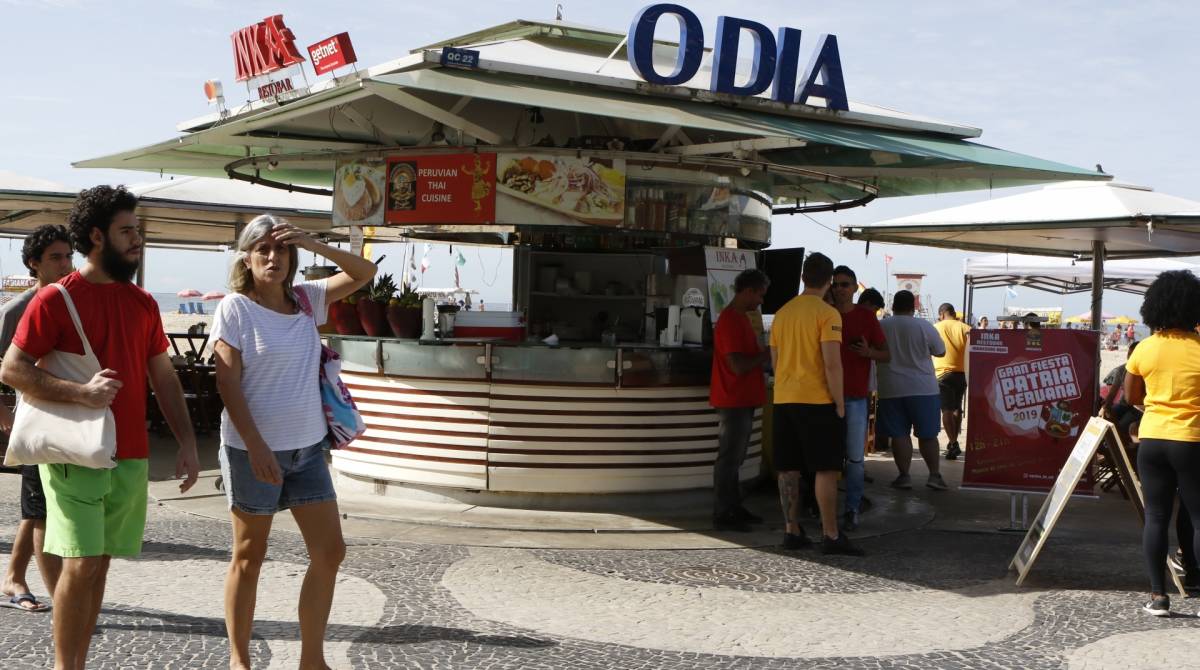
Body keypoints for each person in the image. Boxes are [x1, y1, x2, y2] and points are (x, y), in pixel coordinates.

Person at [0, 186, 200, 670]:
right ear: (96, 236)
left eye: (138, 230)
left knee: (102, 562)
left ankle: (80, 662)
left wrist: (189, 443)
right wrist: (81, 393)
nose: (137, 241)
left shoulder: (144, 303)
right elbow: (12, 369)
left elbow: (164, 377)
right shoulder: (54, 300)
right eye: (126, 231)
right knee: (83, 561)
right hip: (73, 452)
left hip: (128, 454)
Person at [211, 214, 376, 670]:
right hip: (252, 451)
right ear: (247, 257)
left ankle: (312, 660)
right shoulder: (235, 308)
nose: (273, 257)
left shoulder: (307, 300)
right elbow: (228, 385)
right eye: (262, 249)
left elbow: (365, 274)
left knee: (330, 551)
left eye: (281, 249)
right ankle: (239, 660)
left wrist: (311, 241)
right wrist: (257, 446)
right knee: (249, 555)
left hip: (308, 451)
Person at [0, 225, 73, 613]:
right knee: (40, 506)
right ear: (34, 264)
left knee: (40, 505)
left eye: (68, 256)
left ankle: (13, 577)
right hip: (33, 420)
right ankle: (66, 604)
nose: (65, 264)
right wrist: (3, 413)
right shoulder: (18, 309)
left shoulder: (73, 300)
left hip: (67, 421)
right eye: (55, 258)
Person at [770, 252, 862, 556]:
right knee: (825, 468)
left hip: (784, 399)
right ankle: (831, 535)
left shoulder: (783, 313)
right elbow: (832, 364)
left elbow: (775, 361)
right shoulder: (827, 314)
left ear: (802, 277)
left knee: (789, 469)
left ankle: (791, 530)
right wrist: (839, 404)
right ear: (829, 281)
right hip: (817, 400)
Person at [1122, 270, 1200, 616]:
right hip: (1193, 439)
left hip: (1153, 438)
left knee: (1156, 516)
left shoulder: (1144, 349)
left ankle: (1158, 596)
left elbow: (1131, 395)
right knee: (1198, 518)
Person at [709, 269, 771, 532]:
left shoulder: (740, 318)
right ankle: (724, 511)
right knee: (730, 458)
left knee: (735, 457)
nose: (761, 301)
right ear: (748, 291)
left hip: (741, 398)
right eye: (760, 294)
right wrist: (766, 355)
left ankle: (733, 506)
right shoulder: (731, 321)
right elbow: (736, 365)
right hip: (733, 398)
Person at [831, 267, 889, 531]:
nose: (840, 288)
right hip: (825, 396)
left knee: (855, 459)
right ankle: (825, 508)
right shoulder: (824, 314)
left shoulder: (866, 317)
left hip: (854, 397)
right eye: (836, 284)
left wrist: (867, 352)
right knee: (827, 459)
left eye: (845, 284)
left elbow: (886, 354)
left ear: (855, 288)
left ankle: (851, 508)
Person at [877, 290, 949, 491]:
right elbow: (940, 351)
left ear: (893, 306)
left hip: (891, 388)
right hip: (923, 389)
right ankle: (934, 475)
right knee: (927, 435)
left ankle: (904, 476)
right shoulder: (924, 325)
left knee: (899, 434)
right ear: (913, 307)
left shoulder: (882, 325)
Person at [933, 303, 971, 460]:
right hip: (962, 374)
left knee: (946, 410)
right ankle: (952, 443)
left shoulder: (935, 327)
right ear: (954, 313)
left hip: (942, 374)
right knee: (957, 409)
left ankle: (954, 443)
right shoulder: (965, 327)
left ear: (942, 314)